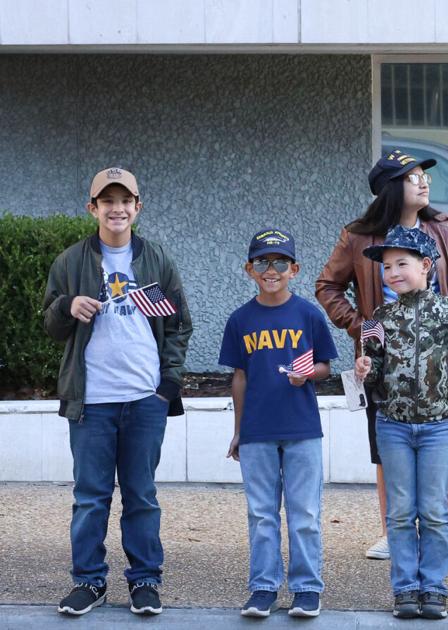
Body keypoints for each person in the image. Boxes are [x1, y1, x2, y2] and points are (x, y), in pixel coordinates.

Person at [317, 149, 448, 561]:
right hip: (382, 365)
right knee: (387, 451)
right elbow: (327, 286)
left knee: (445, 448)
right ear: (393, 188)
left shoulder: (443, 228)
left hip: (439, 361)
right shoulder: (359, 236)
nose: (424, 183)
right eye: (413, 178)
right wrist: (363, 327)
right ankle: (394, 534)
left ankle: (440, 531)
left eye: (424, 176)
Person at [43, 167, 192, 617]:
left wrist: (168, 384)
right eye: (107, 201)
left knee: (141, 495)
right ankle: (89, 583)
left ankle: (145, 581)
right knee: (90, 497)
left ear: (137, 207)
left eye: (124, 200)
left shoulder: (157, 258)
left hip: (145, 397)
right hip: (91, 400)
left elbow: (180, 324)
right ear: (93, 209)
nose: (117, 209)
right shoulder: (71, 262)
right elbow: (49, 323)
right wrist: (68, 306)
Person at [353, 226, 448, 620]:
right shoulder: (379, 318)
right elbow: (373, 370)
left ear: (426, 266)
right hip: (393, 426)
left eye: (401, 264)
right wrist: (364, 368)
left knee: (436, 511)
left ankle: (434, 587)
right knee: (401, 511)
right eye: (386, 267)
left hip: (439, 427)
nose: (392, 273)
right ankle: (405, 588)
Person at [219, 229, 338, 618]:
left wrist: (309, 374)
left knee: (304, 514)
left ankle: (306, 589)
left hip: (302, 429)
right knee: (261, 514)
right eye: (263, 263)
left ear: (295, 269)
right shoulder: (240, 319)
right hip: (257, 432)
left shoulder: (307, 314)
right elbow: (240, 376)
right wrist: (239, 429)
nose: (272, 270)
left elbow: (324, 366)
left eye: (281, 262)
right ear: (250, 269)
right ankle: (263, 588)